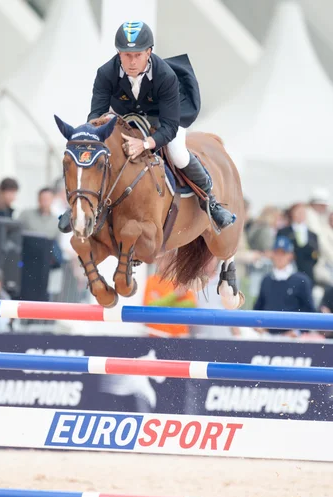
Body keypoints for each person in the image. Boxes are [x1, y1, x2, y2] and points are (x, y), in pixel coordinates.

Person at [87, 20, 234, 231]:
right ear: (119, 53)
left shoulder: (165, 76)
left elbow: (170, 126)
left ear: (149, 52)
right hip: (125, 116)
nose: (132, 62)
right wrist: (99, 130)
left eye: (138, 55)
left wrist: (145, 144)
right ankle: (81, 203)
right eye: (126, 55)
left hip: (164, 118)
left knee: (177, 153)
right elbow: (95, 115)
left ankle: (209, 200)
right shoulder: (105, 73)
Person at [253, 236, 315, 335]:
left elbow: (310, 311)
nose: (279, 257)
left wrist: (298, 331)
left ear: (290, 255)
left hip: (293, 339)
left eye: (283, 253)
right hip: (267, 336)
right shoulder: (266, 280)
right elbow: (258, 308)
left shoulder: (302, 281)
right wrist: (259, 326)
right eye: (277, 253)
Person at [277, 203, 319, 285]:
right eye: (298, 212)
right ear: (292, 213)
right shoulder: (284, 232)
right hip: (289, 271)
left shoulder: (313, 235)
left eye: (303, 212)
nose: (301, 214)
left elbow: (316, 255)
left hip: (307, 272)